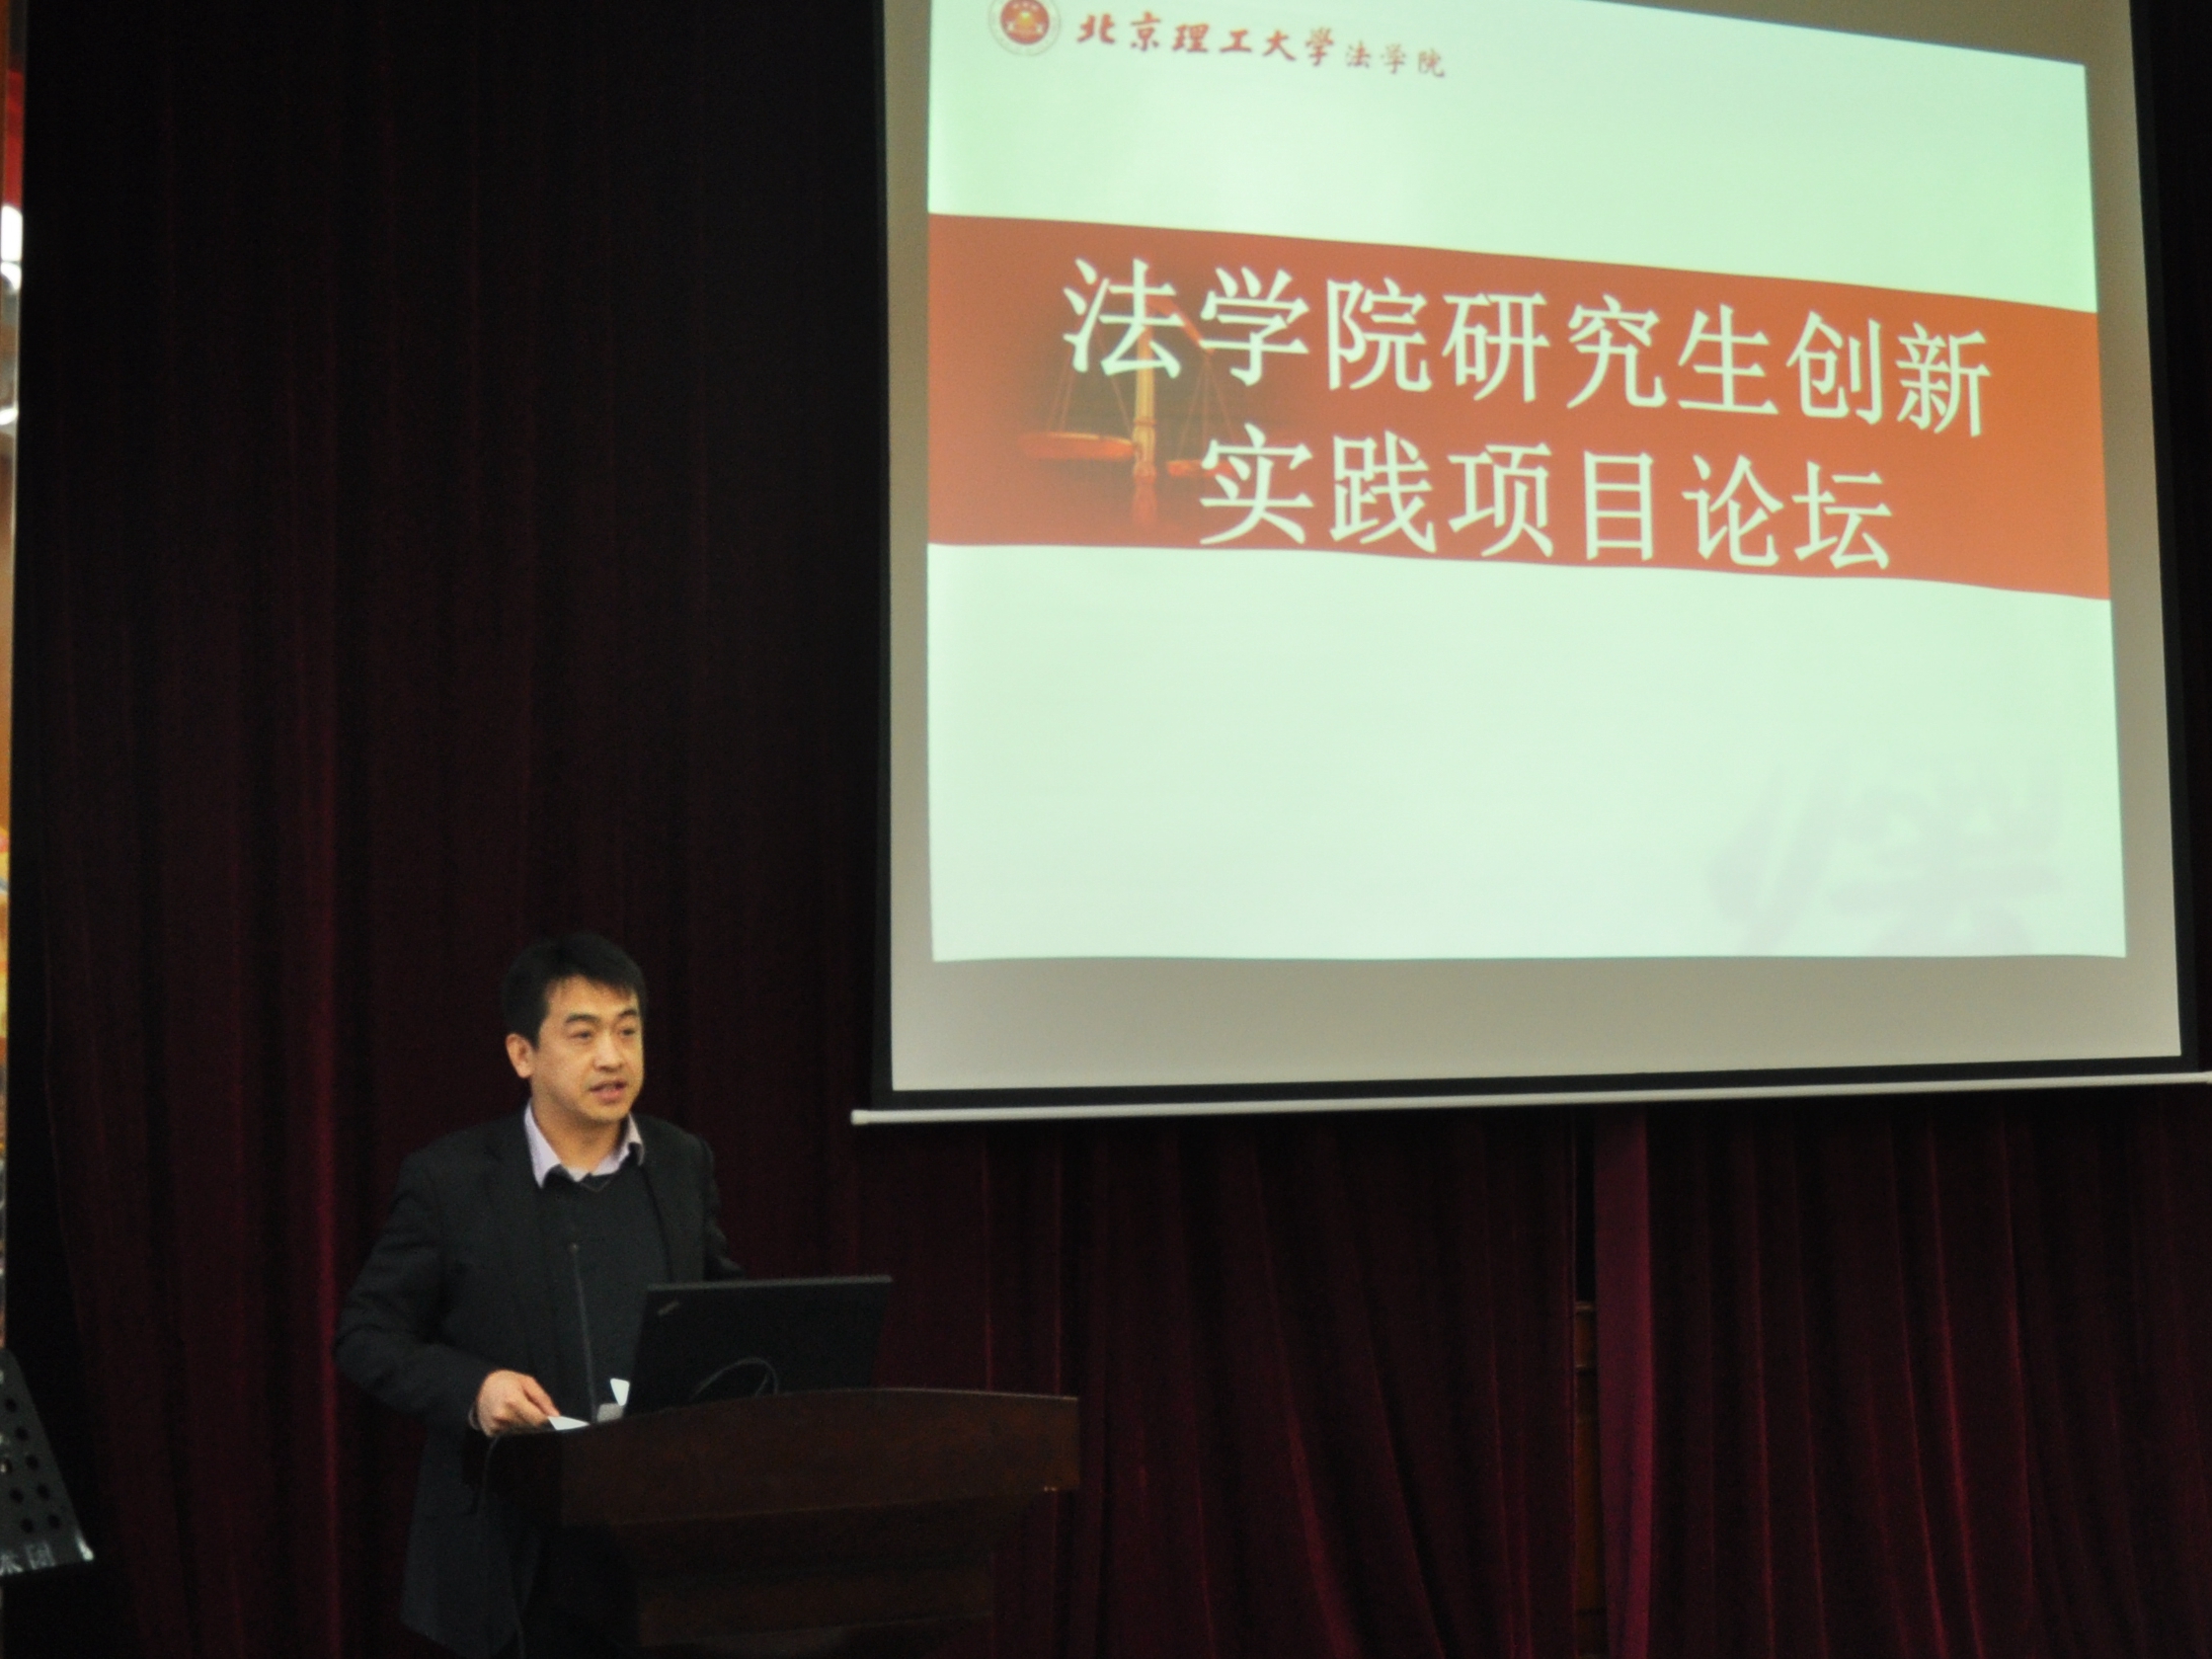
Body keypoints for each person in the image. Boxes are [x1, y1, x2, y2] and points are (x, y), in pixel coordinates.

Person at [334, 933, 742, 1659]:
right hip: (514, 1557)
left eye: (627, 1031)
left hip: (661, 1544)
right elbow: (366, 1334)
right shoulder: (451, 1180)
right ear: (522, 1054)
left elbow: (721, 1307)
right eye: (583, 1035)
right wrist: (474, 1388)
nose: (612, 1057)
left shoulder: (680, 1162)